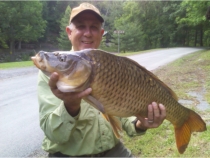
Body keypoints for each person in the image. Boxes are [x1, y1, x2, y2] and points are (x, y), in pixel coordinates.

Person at [37, 2, 166, 157]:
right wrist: (70, 106)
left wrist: (140, 124)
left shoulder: (112, 65)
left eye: (94, 27)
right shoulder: (55, 71)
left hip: (114, 151)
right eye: (81, 26)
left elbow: (126, 114)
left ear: (101, 33)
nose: (88, 33)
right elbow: (54, 134)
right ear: (69, 32)